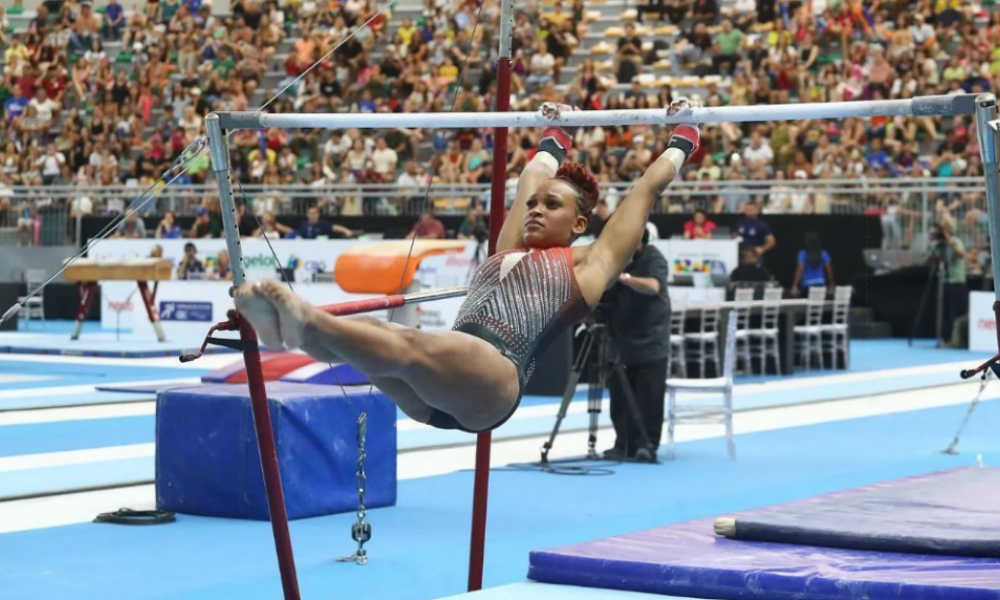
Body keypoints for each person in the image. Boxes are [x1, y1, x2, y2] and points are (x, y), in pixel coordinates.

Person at [234, 100, 700, 433]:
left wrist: (685, 135)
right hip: (437, 393)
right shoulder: (507, 247)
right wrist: (555, 136)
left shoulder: (590, 263)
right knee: (378, 343)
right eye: (533, 205)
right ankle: (296, 332)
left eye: (551, 206)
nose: (535, 209)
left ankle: (306, 321)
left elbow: (645, 191)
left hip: (494, 379)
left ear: (580, 222)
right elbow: (529, 180)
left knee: (403, 340)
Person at [603, 228, 671, 459]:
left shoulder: (654, 257)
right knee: (620, 397)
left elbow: (653, 287)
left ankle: (647, 444)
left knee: (649, 396)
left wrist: (625, 278)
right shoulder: (615, 259)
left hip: (651, 339)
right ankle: (623, 443)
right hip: (621, 338)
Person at [790, 232, 834, 296]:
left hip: (807, 286)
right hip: (820, 284)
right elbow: (829, 271)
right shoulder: (824, 254)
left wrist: (795, 285)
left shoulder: (803, 254)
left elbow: (800, 270)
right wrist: (831, 284)